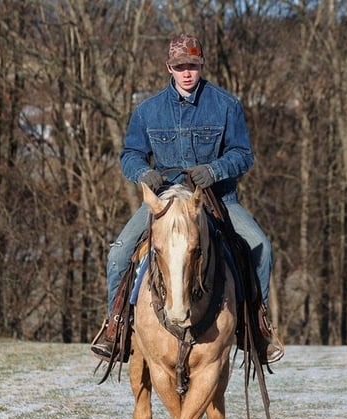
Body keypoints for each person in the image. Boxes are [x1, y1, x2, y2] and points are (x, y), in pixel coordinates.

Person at [91, 33, 283, 364]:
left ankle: (257, 329)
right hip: (164, 202)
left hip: (217, 199)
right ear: (169, 67)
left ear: (201, 65)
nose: (187, 72)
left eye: (192, 65)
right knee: (119, 254)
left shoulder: (226, 106)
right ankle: (115, 329)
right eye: (180, 66)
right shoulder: (147, 110)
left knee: (261, 247)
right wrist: (143, 174)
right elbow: (130, 155)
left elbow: (243, 155)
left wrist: (215, 169)